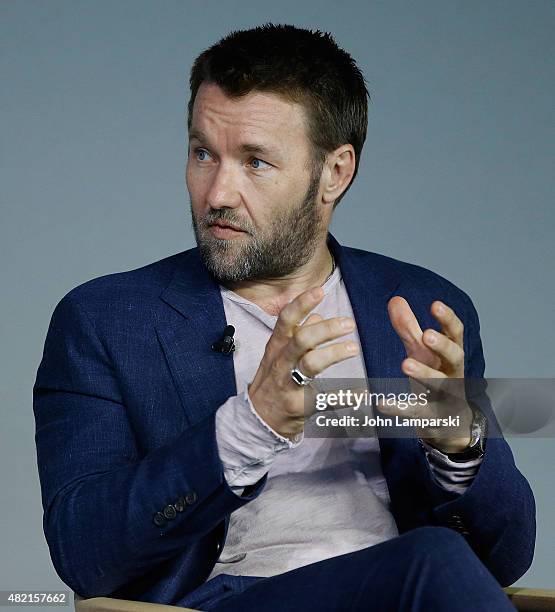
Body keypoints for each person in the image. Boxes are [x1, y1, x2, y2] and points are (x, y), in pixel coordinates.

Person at [33, 23, 535, 611]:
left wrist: (457, 444)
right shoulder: (103, 321)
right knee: (433, 560)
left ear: (334, 173)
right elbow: (84, 553)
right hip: (228, 600)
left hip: (406, 594)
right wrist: (253, 424)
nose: (217, 192)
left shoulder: (424, 308)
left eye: (256, 162)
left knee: (436, 562)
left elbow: (505, 556)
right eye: (203, 153)